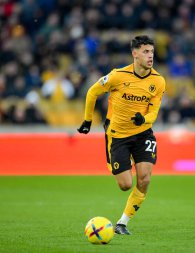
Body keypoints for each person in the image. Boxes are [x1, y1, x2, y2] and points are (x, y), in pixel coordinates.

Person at [77, 35, 166, 235]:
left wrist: (143, 120)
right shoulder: (117, 76)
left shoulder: (158, 81)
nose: (150, 56)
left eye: (152, 51)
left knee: (144, 179)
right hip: (118, 136)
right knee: (125, 185)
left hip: (143, 134)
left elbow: (154, 112)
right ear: (135, 54)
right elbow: (92, 92)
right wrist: (87, 120)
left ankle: (122, 223)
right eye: (145, 51)